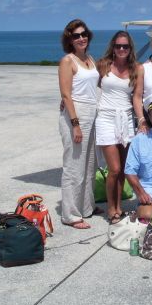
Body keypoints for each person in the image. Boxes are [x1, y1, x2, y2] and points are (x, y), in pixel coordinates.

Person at [96, 31, 141, 224]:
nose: (121, 49)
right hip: (106, 118)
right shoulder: (103, 65)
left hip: (127, 120)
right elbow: (88, 85)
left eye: (125, 46)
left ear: (130, 49)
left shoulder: (135, 69)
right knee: (113, 169)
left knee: (123, 168)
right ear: (112, 47)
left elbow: (138, 96)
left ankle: (119, 207)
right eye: (118, 46)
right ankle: (111, 208)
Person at [58, 19, 99, 229]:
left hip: (92, 112)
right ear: (70, 40)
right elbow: (66, 94)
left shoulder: (90, 59)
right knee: (74, 167)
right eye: (76, 36)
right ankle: (71, 214)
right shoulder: (68, 61)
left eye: (84, 34)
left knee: (90, 164)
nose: (81, 38)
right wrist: (75, 124)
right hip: (77, 114)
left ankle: (86, 207)